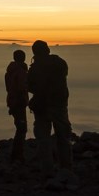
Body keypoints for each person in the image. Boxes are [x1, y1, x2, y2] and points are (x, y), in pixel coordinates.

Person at [27, 40, 72, 176]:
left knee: (43, 138)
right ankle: (66, 168)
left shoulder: (35, 68)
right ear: (47, 50)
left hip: (41, 106)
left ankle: (47, 170)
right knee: (63, 136)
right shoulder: (60, 63)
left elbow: (29, 85)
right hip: (59, 104)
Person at [5, 49, 29, 163]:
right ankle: (17, 155)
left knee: (20, 128)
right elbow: (21, 88)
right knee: (22, 128)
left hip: (13, 102)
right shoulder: (20, 72)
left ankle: (16, 153)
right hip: (18, 103)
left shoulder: (10, 71)